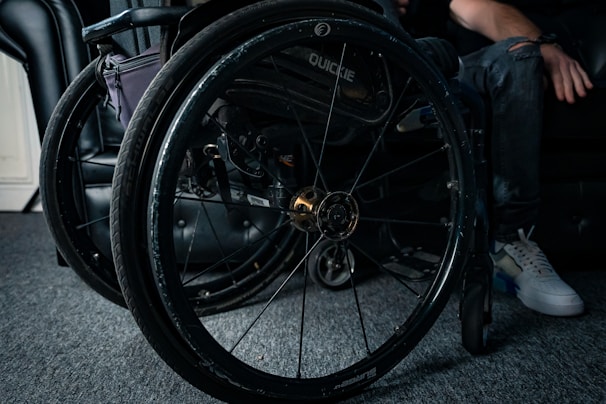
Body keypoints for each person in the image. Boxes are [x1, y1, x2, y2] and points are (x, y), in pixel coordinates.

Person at [395, 0, 592, 316]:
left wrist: (546, 48)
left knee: (520, 53)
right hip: (339, 60)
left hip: (428, 71)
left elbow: (474, 7)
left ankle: (509, 245)